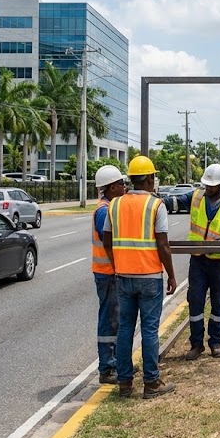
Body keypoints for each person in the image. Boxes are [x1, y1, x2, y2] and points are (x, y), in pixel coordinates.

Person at [103, 155, 178, 399]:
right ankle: (152, 382)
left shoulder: (114, 205)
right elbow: (163, 245)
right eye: (154, 176)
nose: (155, 180)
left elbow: (107, 241)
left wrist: (117, 264)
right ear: (147, 179)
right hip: (149, 277)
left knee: (125, 329)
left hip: (123, 276)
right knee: (149, 330)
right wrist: (171, 275)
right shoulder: (156, 205)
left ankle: (125, 383)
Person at [165, 164, 220, 360]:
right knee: (195, 301)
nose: (208, 188)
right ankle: (196, 344)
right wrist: (156, 202)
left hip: (218, 263)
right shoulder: (196, 197)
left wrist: (216, 245)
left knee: (218, 302)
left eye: (212, 185)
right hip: (198, 261)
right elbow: (175, 202)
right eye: (206, 184)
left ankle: (216, 342)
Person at [92, 164, 129, 385]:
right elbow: (108, 239)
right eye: (121, 183)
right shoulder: (104, 211)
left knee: (115, 320)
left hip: (109, 271)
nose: (124, 187)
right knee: (109, 320)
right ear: (111, 187)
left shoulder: (110, 207)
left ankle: (113, 364)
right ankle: (107, 368)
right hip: (107, 272)